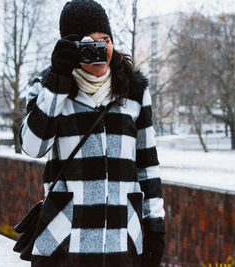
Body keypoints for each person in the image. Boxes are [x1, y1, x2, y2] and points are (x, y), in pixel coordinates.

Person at [19, 0, 165, 266]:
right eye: (89, 42)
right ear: (72, 46)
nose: (100, 49)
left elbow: (147, 164)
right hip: (64, 239)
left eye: (105, 40)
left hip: (123, 237)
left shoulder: (133, 90)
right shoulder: (46, 86)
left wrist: (155, 225)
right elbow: (32, 147)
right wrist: (57, 83)